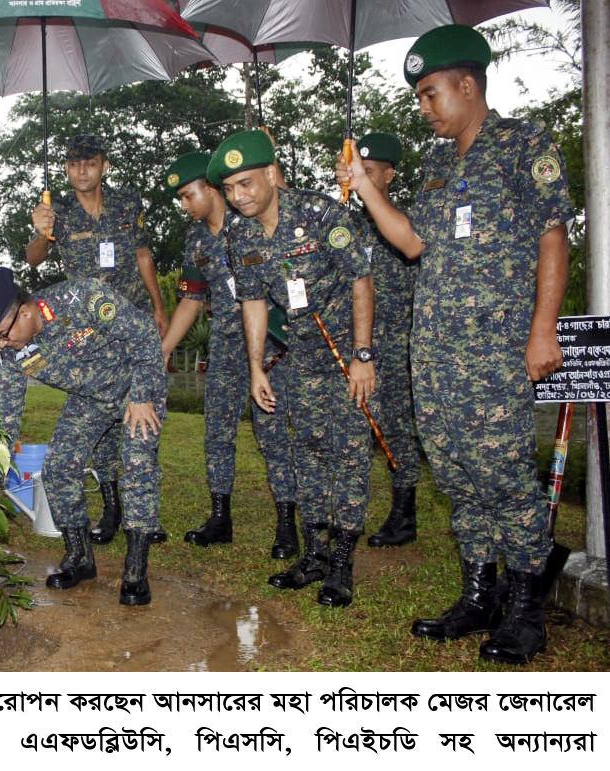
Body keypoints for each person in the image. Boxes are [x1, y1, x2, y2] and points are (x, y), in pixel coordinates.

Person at [336, 24, 573, 664]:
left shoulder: (526, 146)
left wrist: (543, 330)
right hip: (434, 350)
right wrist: (366, 189)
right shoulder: (439, 164)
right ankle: (478, 593)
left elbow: (554, 238)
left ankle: (526, 609)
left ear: (467, 86)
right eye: (419, 97)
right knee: (457, 473)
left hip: (496, 347)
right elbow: (412, 244)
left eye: (430, 94)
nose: (424, 108)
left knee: (501, 473)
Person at [215, 130, 375, 608]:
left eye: (245, 183)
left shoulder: (322, 213)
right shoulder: (238, 232)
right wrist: (256, 367)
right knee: (305, 450)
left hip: (344, 347)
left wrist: (362, 356)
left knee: (347, 452)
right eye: (228, 189)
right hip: (300, 353)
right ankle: (315, 554)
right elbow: (253, 301)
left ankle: (342, 565)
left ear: (270, 173)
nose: (238, 196)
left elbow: (361, 280)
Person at [0, 267, 167, 606]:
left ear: (25, 311)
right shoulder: (12, 354)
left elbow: (144, 333)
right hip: (90, 400)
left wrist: (141, 395)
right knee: (59, 467)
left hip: (136, 386)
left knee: (137, 467)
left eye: (3, 335)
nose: (1, 344)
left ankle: (135, 570)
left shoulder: (83, 298)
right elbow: (8, 417)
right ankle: (80, 557)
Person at [26, 135, 168, 545]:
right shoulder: (58, 213)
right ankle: (111, 508)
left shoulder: (127, 204)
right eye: (73, 164)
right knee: (102, 423)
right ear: (66, 170)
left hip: (133, 322)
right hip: (91, 333)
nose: (81, 171)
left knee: (144, 414)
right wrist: (41, 231)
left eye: (89, 163)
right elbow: (34, 259)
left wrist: (158, 308)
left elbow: (143, 255)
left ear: (104, 166)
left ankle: (145, 511)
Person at [159, 152, 297, 556]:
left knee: (271, 434)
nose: (184, 205)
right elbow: (190, 300)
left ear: (211, 187)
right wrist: (162, 351)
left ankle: (287, 524)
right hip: (224, 345)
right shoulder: (198, 240)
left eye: (187, 195)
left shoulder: (253, 221)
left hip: (269, 345)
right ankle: (220, 517)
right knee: (217, 432)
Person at [349, 132, 423, 547]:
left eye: (371, 172)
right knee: (357, 426)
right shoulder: (350, 225)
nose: (364, 179)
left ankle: (404, 512)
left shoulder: (405, 223)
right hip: (361, 345)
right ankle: (350, 510)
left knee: (397, 427)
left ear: (390, 174)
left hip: (400, 347)